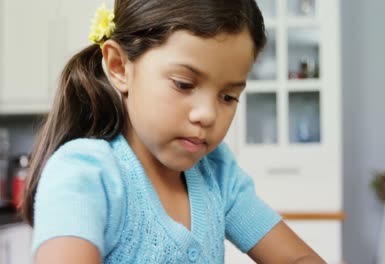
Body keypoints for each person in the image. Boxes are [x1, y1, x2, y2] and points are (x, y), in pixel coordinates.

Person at [21, 1, 326, 263]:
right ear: (119, 66)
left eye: (228, 96)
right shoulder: (84, 175)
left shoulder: (217, 173)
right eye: (184, 84)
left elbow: (297, 257)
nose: (207, 115)